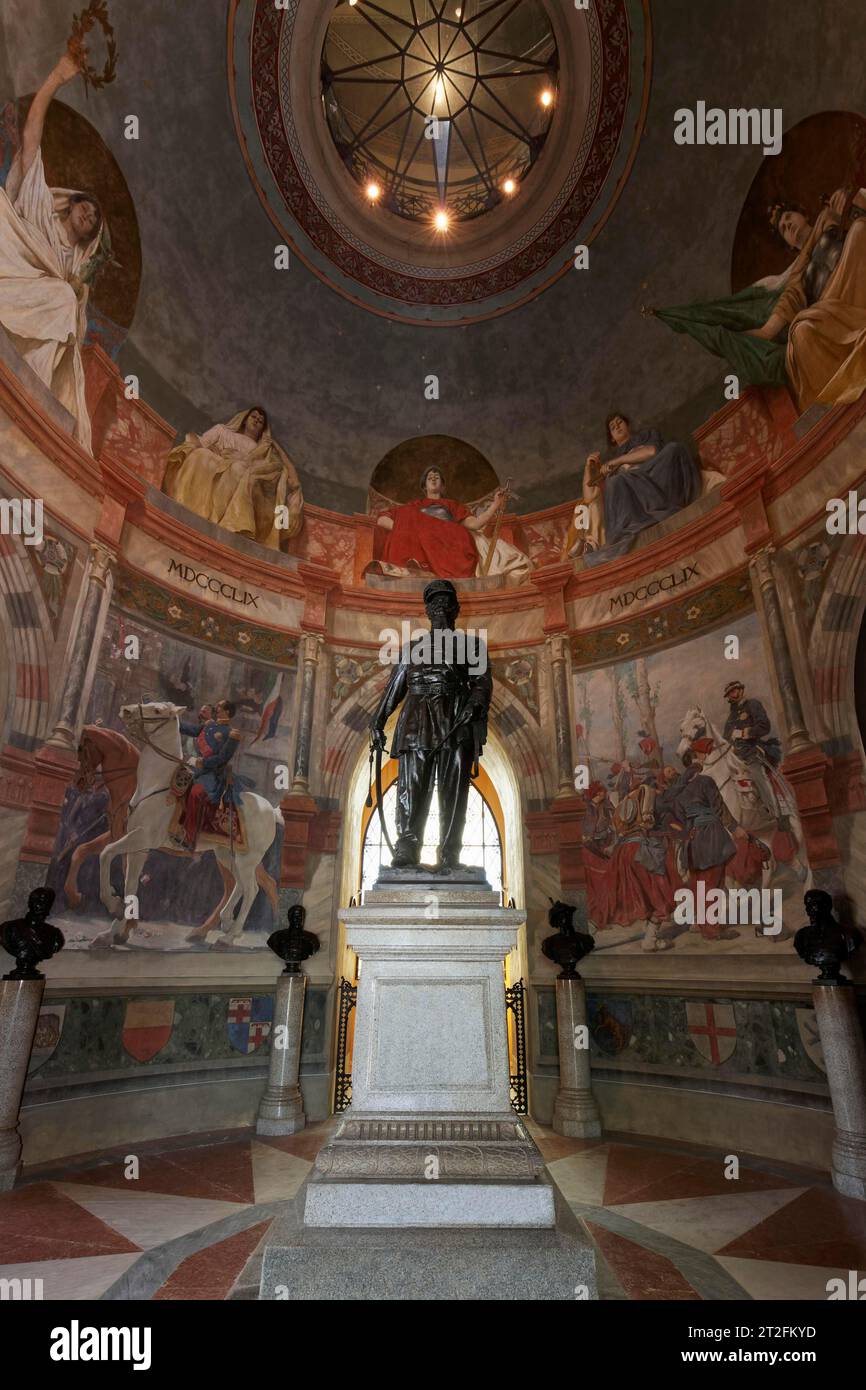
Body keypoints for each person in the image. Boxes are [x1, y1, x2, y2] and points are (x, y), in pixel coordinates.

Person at [649, 188, 866, 409]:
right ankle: (842, 391)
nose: (788, 225)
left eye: (789, 217)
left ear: (803, 214)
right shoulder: (796, 271)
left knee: (859, 232)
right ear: (789, 243)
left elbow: (859, 207)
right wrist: (764, 332)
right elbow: (791, 299)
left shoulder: (827, 216)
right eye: (783, 228)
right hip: (829, 304)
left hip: (854, 276)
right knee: (801, 333)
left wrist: (848, 197)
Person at [0, 50, 111, 453]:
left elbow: (74, 320)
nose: (91, 214)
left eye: (96, 219)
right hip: (10, 270)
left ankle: (30, 388)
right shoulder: (39, 208)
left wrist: (74, 290)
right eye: (88, 206)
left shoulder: (68, 272)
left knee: (64, 299)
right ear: (73, 202)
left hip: (46, 301)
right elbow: (31, 138)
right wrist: (56, 78)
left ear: (90, 236)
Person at [369, 579, 492, 872]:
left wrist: (475, 704)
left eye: (446, 602)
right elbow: (394, 689)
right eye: (435, 602)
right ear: (427, 610)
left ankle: (450, 853)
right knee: (411, 788)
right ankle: (408, 848)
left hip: (455, 718)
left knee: (453, 790)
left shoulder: (472, 645)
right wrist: (377, 723)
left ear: (456, 609)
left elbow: (482, 683)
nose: (441, 607)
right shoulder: (412, 648)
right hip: (416, 722)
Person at [162, 407, 303, 550]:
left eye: (261, 421)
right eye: (253, 417)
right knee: (200, 455)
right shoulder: (222, 431)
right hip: (216, 460)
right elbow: (201, 442)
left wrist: (275, 446)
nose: (256, 421)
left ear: (263, 429)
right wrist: (213, 451)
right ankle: (185, 506)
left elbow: (285, 476)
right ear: (244, 418)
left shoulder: (263, 450)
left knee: (238, 469)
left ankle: (221, 521)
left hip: (241, 472)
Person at [574, 414, 699, 565]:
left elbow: (651, 452)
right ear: (612, 438)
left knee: (674, 449)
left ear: (628, 425)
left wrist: (619, 462)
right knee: (615, 482)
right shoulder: (609, 465)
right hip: (631, 492)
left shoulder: (646, 436)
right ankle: (628, 530)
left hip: (655, 475)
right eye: (613, 428)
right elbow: (589, 497)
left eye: (620, 423)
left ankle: (665, 505)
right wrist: (588, 467)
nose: (617, 427)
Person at [374, 466, 530, 583]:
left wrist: (496, 504)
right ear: (424, 487)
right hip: (421, 541)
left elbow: (475, 525)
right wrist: (411, 529)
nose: (434, 478)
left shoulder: (452, 505)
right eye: (429, 477)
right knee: (408, 517)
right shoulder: (413, 506)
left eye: (437, 477)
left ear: (443, 485)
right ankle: (418, 567)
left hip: (450, 543)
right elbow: (382, 520)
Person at [671, 737, 740, 941]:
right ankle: (712, 930)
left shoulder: (679, 792)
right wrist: (735, 828)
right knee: (713, 881)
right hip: (710, 834)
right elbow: (718, 807)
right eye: (704, 754)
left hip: (692, 839)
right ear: (697, 759)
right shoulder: (705, 781)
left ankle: (705, 925)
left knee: (699, 883)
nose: (706, 757)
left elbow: (679, 818)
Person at [177, 700, 252, 852]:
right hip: (195, 768)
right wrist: (170, 717)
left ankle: (189, 837)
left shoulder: (232, 734)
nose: (216, 708)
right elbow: (189, 728)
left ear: (227, 712)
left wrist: (202, 762)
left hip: (213, 774)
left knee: (196, 793)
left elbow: (222, 758)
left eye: (219, 707)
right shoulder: (208, 725)